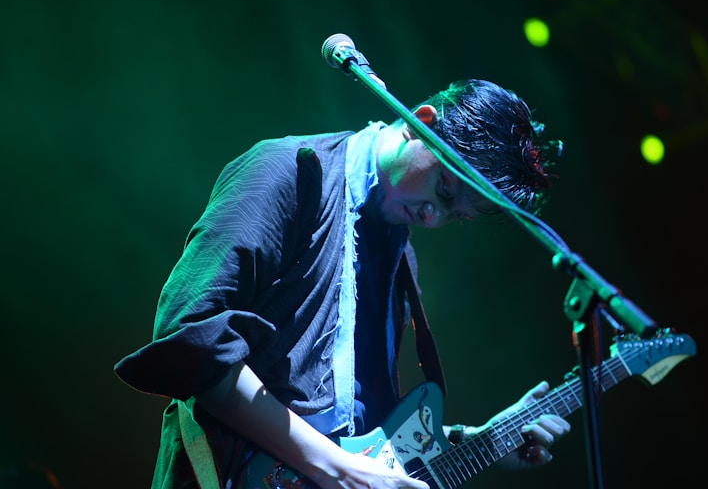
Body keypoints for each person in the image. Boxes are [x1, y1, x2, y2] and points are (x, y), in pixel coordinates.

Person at [115, 79, 570, 489]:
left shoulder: (400, 254)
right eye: (444, 191)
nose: (434, 217)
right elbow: (192, 337)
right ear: (422, 123)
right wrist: (337, 467)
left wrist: (473, 442)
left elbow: (360, 428)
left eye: (455, 215)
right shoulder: (288, 173)